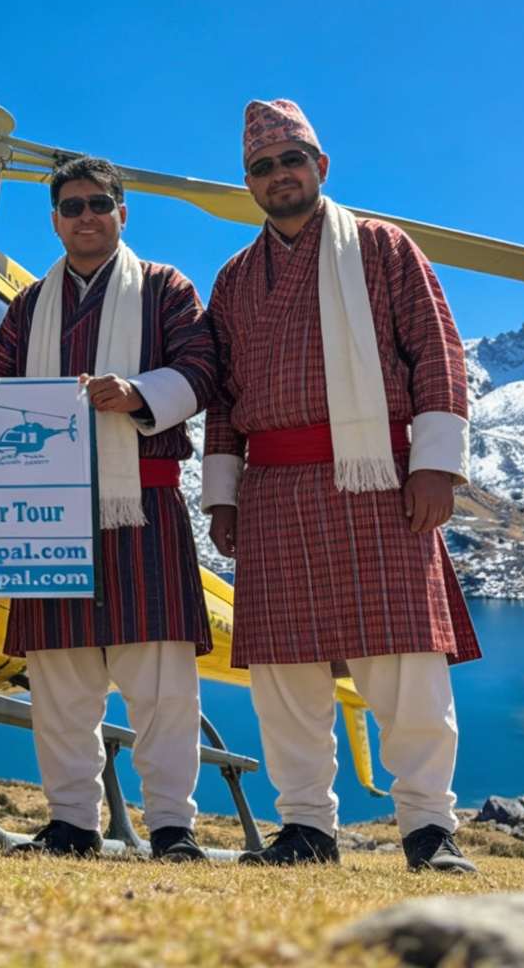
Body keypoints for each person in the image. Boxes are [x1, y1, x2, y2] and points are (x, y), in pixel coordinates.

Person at [202, 99, 480, 873]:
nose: (279, 175)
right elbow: (223, 400)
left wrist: (435, 465)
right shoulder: (232, 281)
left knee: (405, 666)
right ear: (249, 183)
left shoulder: (385, 249)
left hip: (381, 479)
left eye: (291, 159)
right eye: (262, 167)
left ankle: (428, 829)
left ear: (321, 166)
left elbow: (437, 355)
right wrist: (222, 494)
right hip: (276, 488)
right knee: (284, 674)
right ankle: (305, 830)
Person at [0, 157, 220, 860]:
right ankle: (71, 824)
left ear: (123, 213)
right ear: (55, 221)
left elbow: (202, 372)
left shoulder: (165, 289)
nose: (86, 216)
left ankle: (172, 828)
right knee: (61, 682)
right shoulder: (30, 306)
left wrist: (136, 392)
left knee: (161, 684)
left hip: (144, 506)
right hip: (48, 514)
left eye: (99, 203)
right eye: (71, 207)